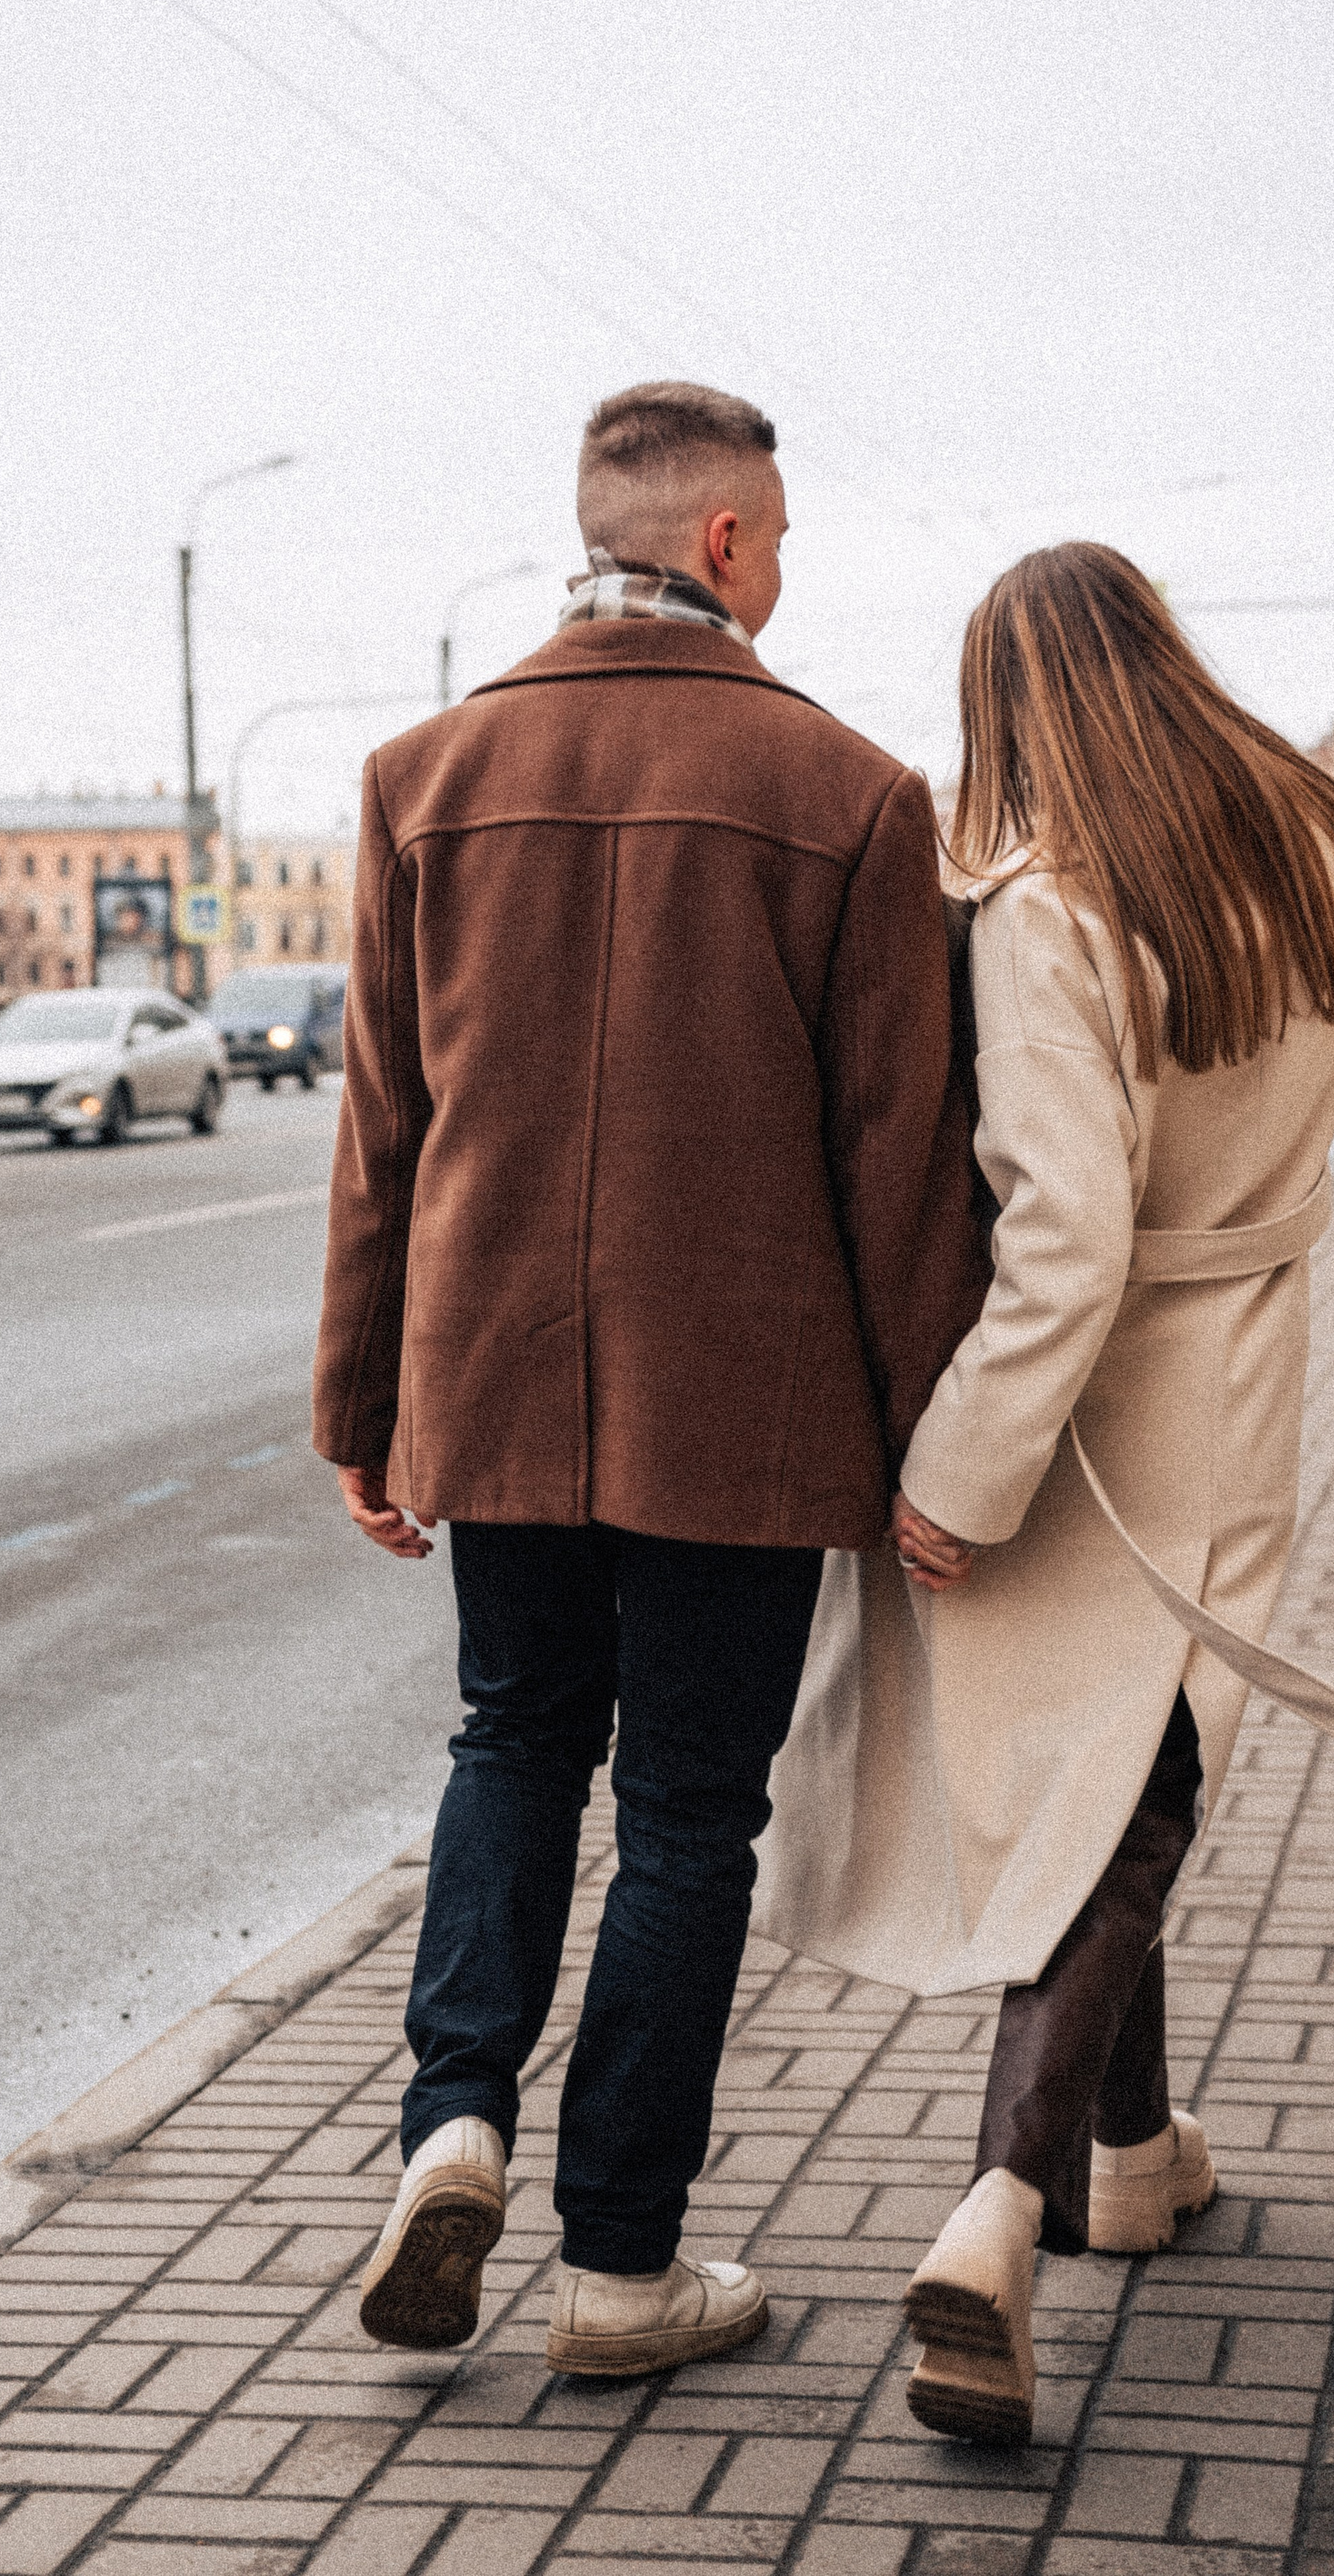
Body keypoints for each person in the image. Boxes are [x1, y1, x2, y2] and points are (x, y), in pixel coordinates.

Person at [312, 382, 986, 2379]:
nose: (784, 568)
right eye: (777, 535)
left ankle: (452, 2121)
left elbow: (383, 1132)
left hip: (492, 1382)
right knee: (688, 1813)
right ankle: (619, 2267)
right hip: (747, 1409)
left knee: (512, 1739)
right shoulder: (850, 795)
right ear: (719, 541)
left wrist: (362, 1406)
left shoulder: (423, 777)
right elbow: (898, 1159)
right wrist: (940, 1441)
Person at [756, 543, 1334, 2448]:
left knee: (1109, 1804)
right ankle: (1126, 2156)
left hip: (1083, 1413)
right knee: (1142, 1769)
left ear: (1012, 708)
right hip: (1239, 1378)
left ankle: (995, 2208)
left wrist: (958, 1470)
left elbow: (1064, 1237)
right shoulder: (1306, 844)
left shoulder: (1051, 906)